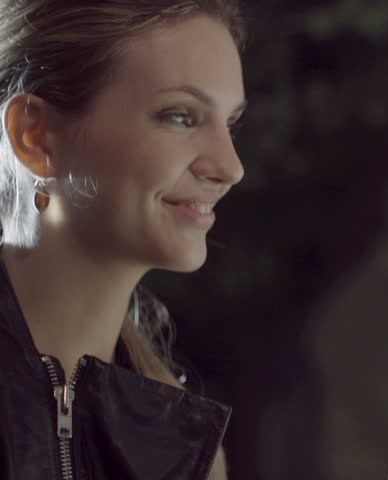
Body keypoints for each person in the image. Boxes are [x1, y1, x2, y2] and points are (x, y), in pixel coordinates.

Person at [0, 1, 246, 479]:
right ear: (36, 136)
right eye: (180, 116)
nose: (230, 167)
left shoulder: (188, 456)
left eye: (230, 124)